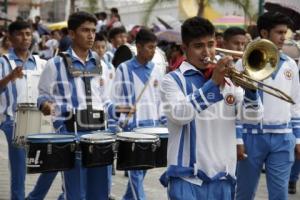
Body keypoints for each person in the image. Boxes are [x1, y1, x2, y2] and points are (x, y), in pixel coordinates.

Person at [159, 16, 263, 200]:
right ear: (185, 48)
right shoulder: (172, 80)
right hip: (186, 178)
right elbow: (180, 114)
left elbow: (252, 117)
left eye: (211, 44)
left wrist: (252, 91)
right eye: (198, 46)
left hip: (223, 178)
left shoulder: (229, 80)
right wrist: (213, 83)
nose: (206, 52)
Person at [36, 11, 131, 200]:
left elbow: (104, 101)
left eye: (93, 31)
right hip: (71, 137)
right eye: (85, 30)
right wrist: (46, 106)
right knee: (76, 195)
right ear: (72, 33)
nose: (91, 35)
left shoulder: (100, 63)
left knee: (100, 194)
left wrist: (117, 110)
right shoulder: (54, 64)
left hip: (100, 138)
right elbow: (42, 97)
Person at [236, 11, 300, 200]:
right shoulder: (243, 62)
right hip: (250, 137)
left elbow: (295, 104)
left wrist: (297, 138)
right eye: (279, 32)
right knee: (244, 194)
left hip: (283, 138)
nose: (283, 37)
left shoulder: (290, 64)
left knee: (279, 195)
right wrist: (238, 138)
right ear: (264, 33)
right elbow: (235, 105)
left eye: (285, 32)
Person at [110, 28, 166, 200]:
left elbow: (160, 100)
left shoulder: (157, 69)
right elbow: (116, 97)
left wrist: (163, 123)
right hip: (132, 129)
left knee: (141, 172)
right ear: (139, 47)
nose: (153, 51)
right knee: (135, 174)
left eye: (155, 48)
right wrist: (118, 123)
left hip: (152, 128)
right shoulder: (123, 69)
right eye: (150, 47)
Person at [0, 20, 46, 200]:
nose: (25, 38)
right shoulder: (3, 62)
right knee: (19, 166)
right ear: (10, 38)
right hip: (12, 119)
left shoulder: (41, 63)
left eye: (28, 34)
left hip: (39, 119)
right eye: (19, 34)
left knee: (54, 161)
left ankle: (34, 196)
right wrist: (10, 77)